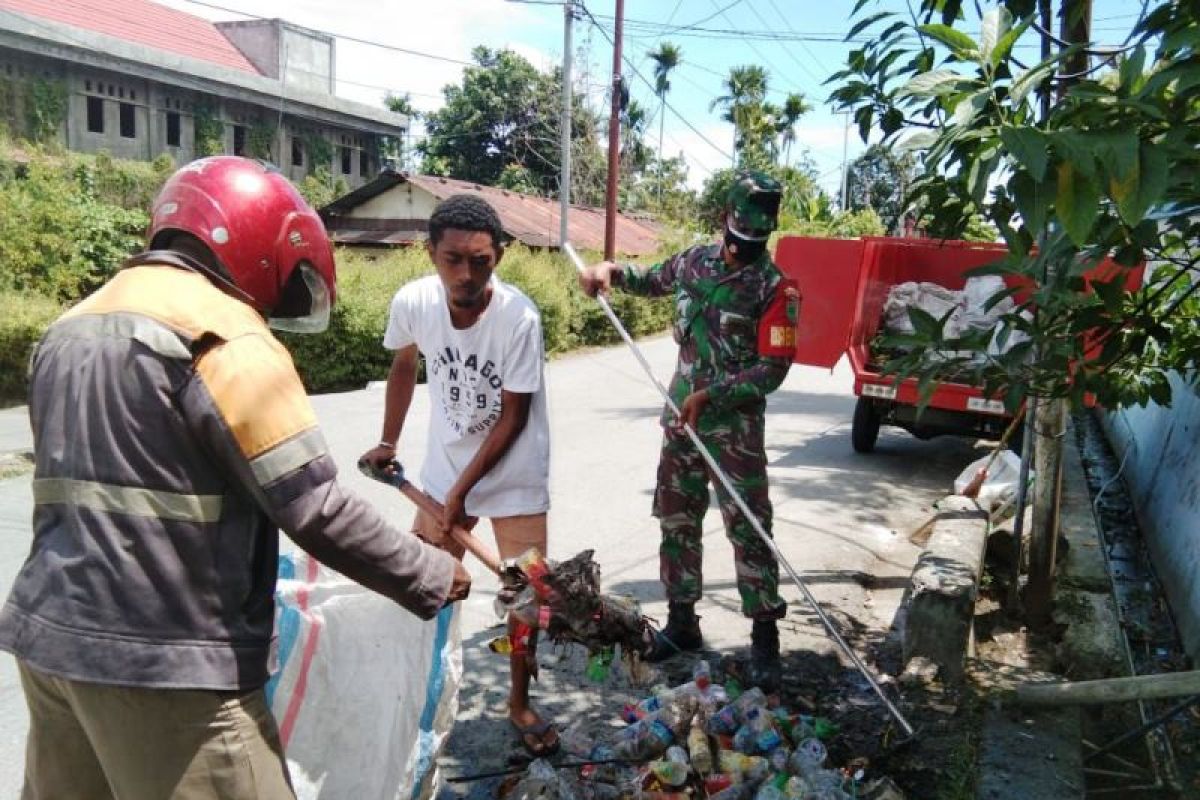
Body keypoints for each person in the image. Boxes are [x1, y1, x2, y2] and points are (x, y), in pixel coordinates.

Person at [0, 156, 471, 800]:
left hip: (50, 645)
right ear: (261, 244)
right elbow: (316, 508)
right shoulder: (223, 336)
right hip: (165, 661)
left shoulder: (73, 325)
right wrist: (436, 572)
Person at [578, 170, 799, 691]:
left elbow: (774, 368)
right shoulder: (694, 262)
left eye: (755, 243)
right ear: (726, 221)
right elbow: (649, 277)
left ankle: (765, 638)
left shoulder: (776, 288)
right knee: (677, 521)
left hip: (734, 432)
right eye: (739, 240)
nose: (745, 251)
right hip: (682, 422)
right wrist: (607, 270)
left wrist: (713, 397)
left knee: (749, 527)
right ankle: (682, 623)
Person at [359, 194, 556, 757]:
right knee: (425, 584)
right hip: (444, 465)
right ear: (430, 252)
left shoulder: (520, 319)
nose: (465, 274)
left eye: (480, 260)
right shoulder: (414, 301)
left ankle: (518, 702)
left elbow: (514, 415)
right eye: (452, 259)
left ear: (500, 255)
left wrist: (463, 491)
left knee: (527, 595)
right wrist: (388, 442)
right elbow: (404, 365)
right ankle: (412, 690)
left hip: (514, 470)